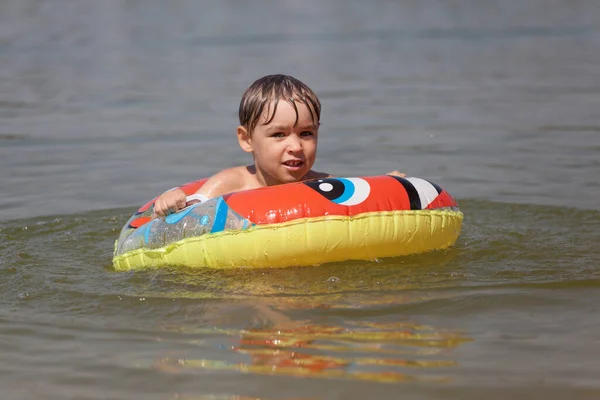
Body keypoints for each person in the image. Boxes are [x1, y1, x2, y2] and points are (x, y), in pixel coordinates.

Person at [153, 74, 403, 217]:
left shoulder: (320, 184)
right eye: (279, 135)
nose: (295, 146)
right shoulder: (231, 184)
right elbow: (188, 217)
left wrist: (387, 185)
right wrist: (169, 204)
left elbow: (362, 199)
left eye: (306, 133)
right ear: (246, 139)